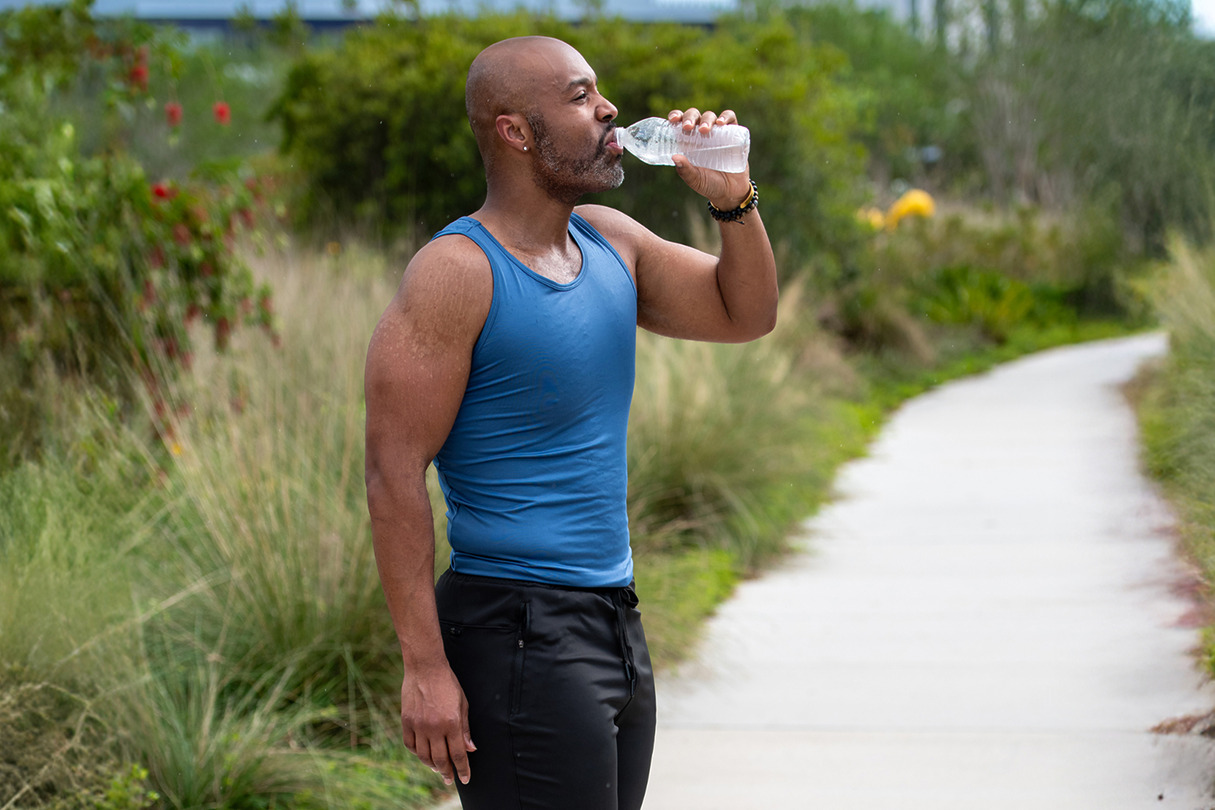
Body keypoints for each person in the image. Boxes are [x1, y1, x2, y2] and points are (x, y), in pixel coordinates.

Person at [363, 35, 778, 810]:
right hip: (512, 627)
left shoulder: (608, 239)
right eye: (580, 95)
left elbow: (744, 312)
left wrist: (731, 197)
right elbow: (392, 472)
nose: (609, 108)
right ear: (515, 131)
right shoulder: (456, 272)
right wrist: (423, 667)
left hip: (612, 615)